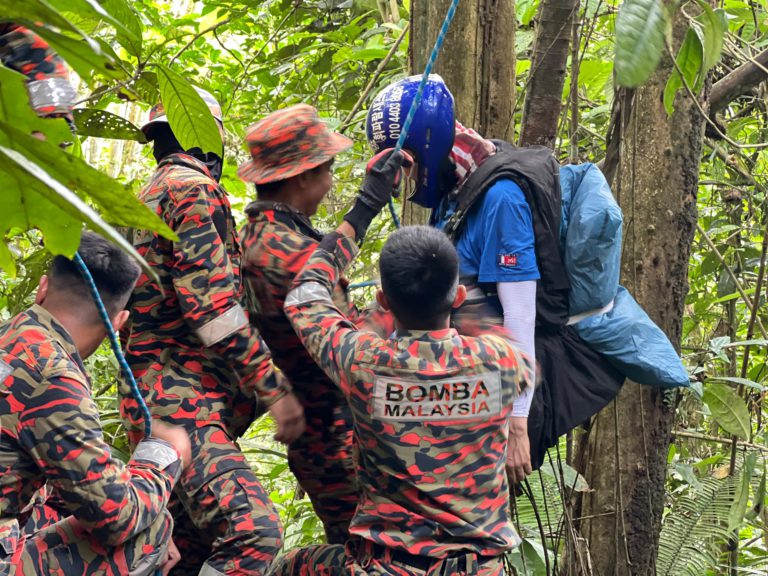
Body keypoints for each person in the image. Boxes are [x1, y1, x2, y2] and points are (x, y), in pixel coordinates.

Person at [366, 75, 625, 477]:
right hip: (465, 382)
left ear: (425, 151)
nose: (404, 180)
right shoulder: (457, 186)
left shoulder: (501, 198)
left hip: (506, 393)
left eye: (405, 165)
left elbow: (519, 314)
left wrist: (517, 425)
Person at [270, 201, 532, 574]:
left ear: (383, 302)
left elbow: (303, 297)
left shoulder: (362, 361)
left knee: (290, 567)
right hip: (479, 568)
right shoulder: (502, 362)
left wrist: (360, 213)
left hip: (387, 566)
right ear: (456, 298)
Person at [121, 88, 305, 576]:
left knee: (185, 551)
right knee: (253, 533)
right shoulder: (193, 190)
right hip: (179, 404)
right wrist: (274, 390)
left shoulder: (143, 197)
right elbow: (214, 311)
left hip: (157, 397)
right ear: (210, 141)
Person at [236, 104, 395, 544]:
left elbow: (325, 255)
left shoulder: (257, 233)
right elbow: (350, 348)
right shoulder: (286, 253)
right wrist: (401, 304)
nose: (329, 181)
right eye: (327, 169)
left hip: (320, 435)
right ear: (302, 176)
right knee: (367, 554)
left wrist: (366, 210)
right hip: (337, 438)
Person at [0, 230, 191, 575]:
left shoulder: (9, 337)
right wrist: (163, 456)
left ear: (43, 288)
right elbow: (116, 517)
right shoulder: (54, 377)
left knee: (64, 508)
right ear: (119, 323)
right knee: (146, 530)